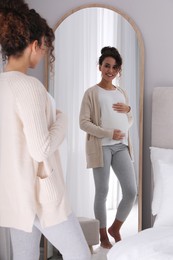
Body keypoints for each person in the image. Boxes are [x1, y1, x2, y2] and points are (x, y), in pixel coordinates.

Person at [0, 1, 91, 259]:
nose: (42, 56)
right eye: (44, 48)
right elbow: (40, 148)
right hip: (41, 196)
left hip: (14, 195)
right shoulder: (29, 87)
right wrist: (63, 119)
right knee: (80, 256)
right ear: (34, 45)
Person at [79, 46, 137, 249]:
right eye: (106, 66)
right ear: (100, 67)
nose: (110, 70)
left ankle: (115, 228)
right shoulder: (91, 93)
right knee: (102, 191)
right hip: (101, 146)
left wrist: (129, 110)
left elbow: (129, 120)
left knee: (131, 191)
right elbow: (83, 123)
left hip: (121, 147)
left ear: (118, 70)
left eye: (114, 67)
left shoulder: (122, 92)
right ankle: (103, 234)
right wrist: (108, 133)